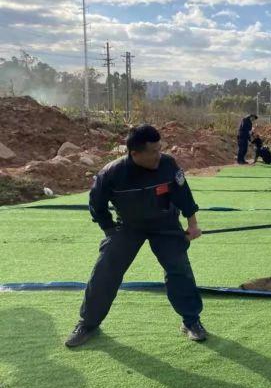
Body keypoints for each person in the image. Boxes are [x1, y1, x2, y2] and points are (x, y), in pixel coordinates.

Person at [65, 124, 207, 347]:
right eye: (153, 151)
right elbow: (96, 205)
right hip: (129, 226)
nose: (158, 155)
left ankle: (191, 321)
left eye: (160, 149)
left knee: (178, 267)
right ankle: (88, 323)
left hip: (165, 223)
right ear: (135, 153)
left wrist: (192, 224)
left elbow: (183, 195)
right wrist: (110, 231)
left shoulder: (167, 164)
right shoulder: (111, 174)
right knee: (106, 268)